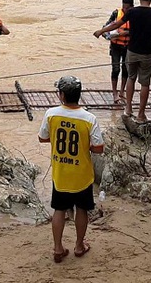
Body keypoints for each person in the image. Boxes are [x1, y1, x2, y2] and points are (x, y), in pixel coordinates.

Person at [38, 76, 104, 263]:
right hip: (82, 175)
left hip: (61, 173)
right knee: (81, 209)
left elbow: (42, 138)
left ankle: (58, 248)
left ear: (62, 95)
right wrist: (84, 145)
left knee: (59, 209)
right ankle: (79, 245)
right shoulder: (89, 118)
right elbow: (99, 148)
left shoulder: (51, 114)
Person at [94, 0, 151, 123]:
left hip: (132, 50)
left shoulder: (132, 12)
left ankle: (128, 109)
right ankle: (141, 115)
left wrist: (101, 31)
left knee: (131, 78)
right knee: (145, 83)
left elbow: (115, 25)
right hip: (148, 52)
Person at [104, 0, 133, 103]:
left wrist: (126, 33)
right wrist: (108, 34)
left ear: (132, 7)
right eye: (124, 8)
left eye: (127, 8)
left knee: (126, 69)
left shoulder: (134, 15)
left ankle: (122, 91)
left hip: (128, 46)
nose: (125, 10)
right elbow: (107, 26)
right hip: (115, 46)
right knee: (116, 69)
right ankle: (115, 93)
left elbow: (138, 30)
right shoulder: (116, 13)